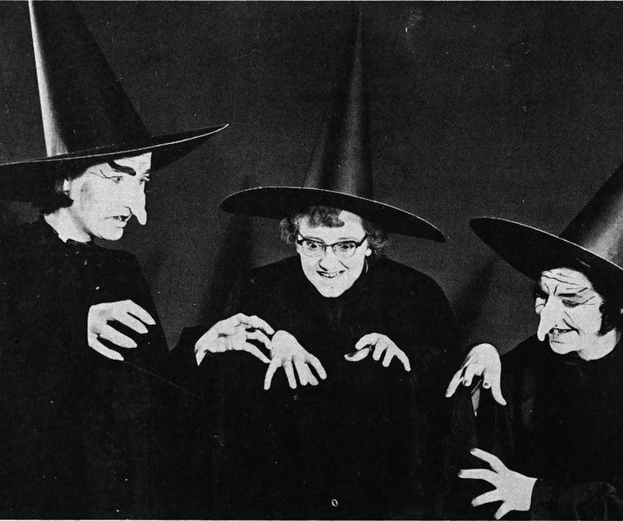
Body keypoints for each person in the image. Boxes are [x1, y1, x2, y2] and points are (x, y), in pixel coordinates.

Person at [0, 2, 225, 518]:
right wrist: (71, 329)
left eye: (143, 181)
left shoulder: (122, 271)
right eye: (118, 176)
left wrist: (200, 348)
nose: (139, 209)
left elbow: (152, 398)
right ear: (66, 178)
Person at [172, 14, 460, 519]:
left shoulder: (417, 293)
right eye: (312, 244)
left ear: (372, 242)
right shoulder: (260, 286)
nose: (328, 262)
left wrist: (407, 357)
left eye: (345, 245)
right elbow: (211, 382)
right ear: (293, 236)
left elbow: (450, 390)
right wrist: (270, 340)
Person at [444, 93, 623, 520]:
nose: (546, 321)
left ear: (617, 307)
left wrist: (539, 497)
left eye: (571, 299)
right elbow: (481, 450)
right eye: (543, 296)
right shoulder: (542, 352)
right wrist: (485, 359)